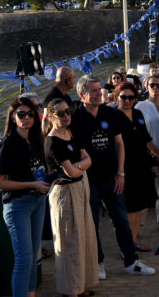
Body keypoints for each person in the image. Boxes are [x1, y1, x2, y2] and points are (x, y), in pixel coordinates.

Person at [70, 75, 154, 279]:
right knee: (93, 224)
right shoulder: (76, 118)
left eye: (100, 90)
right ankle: (97, 263)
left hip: (112, 177)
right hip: (89, 181)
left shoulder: (110, 113)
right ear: (82, 95)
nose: (100, 94)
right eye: (94, 91)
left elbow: (119, 143)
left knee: (121, 220)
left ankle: (131, 261)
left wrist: (120, 172)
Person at [0, 98, 49, 297]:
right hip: (18, 205)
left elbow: (38, 170)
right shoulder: (8, 143)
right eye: (21, 114)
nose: (26, 118)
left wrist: (48, 181)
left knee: (34, 257)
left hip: (37, 201)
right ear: (13, 117)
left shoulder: (35, 141)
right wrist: (31, 185)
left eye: (30, 114)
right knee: (24, 259)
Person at [44, 98, 97, 297]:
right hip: (65, 194)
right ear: (50, 117)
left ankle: (81, 285)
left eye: (67, 111)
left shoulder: (70, 133)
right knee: (69, 242)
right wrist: (83, 164)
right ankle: (70, 290)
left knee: (84, 238)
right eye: (60, 113)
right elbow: (71, 172)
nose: (66, 115)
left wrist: (81, 165)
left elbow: (86, 161)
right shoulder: (53, 141)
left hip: (81, 188)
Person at [114, 82, 159, 252]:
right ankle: (126, 245)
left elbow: (145, 139)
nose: (127, 101)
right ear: (117, 98)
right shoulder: (113, 117)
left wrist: (154, 159)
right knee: (128, 207)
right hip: (123, 167)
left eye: (131, 97)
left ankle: (134, 240)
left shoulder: (137, 113)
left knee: (138, 206)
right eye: (123, 97)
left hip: (141, 165)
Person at [135, 75, 159, 235]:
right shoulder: (140, 106)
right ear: (146, 86)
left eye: (158, 85)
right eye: (152, 85)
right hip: (147, 153)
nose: (155, 88)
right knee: (144, 189)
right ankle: (138, 224)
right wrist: (155, 151)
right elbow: (139, 133)